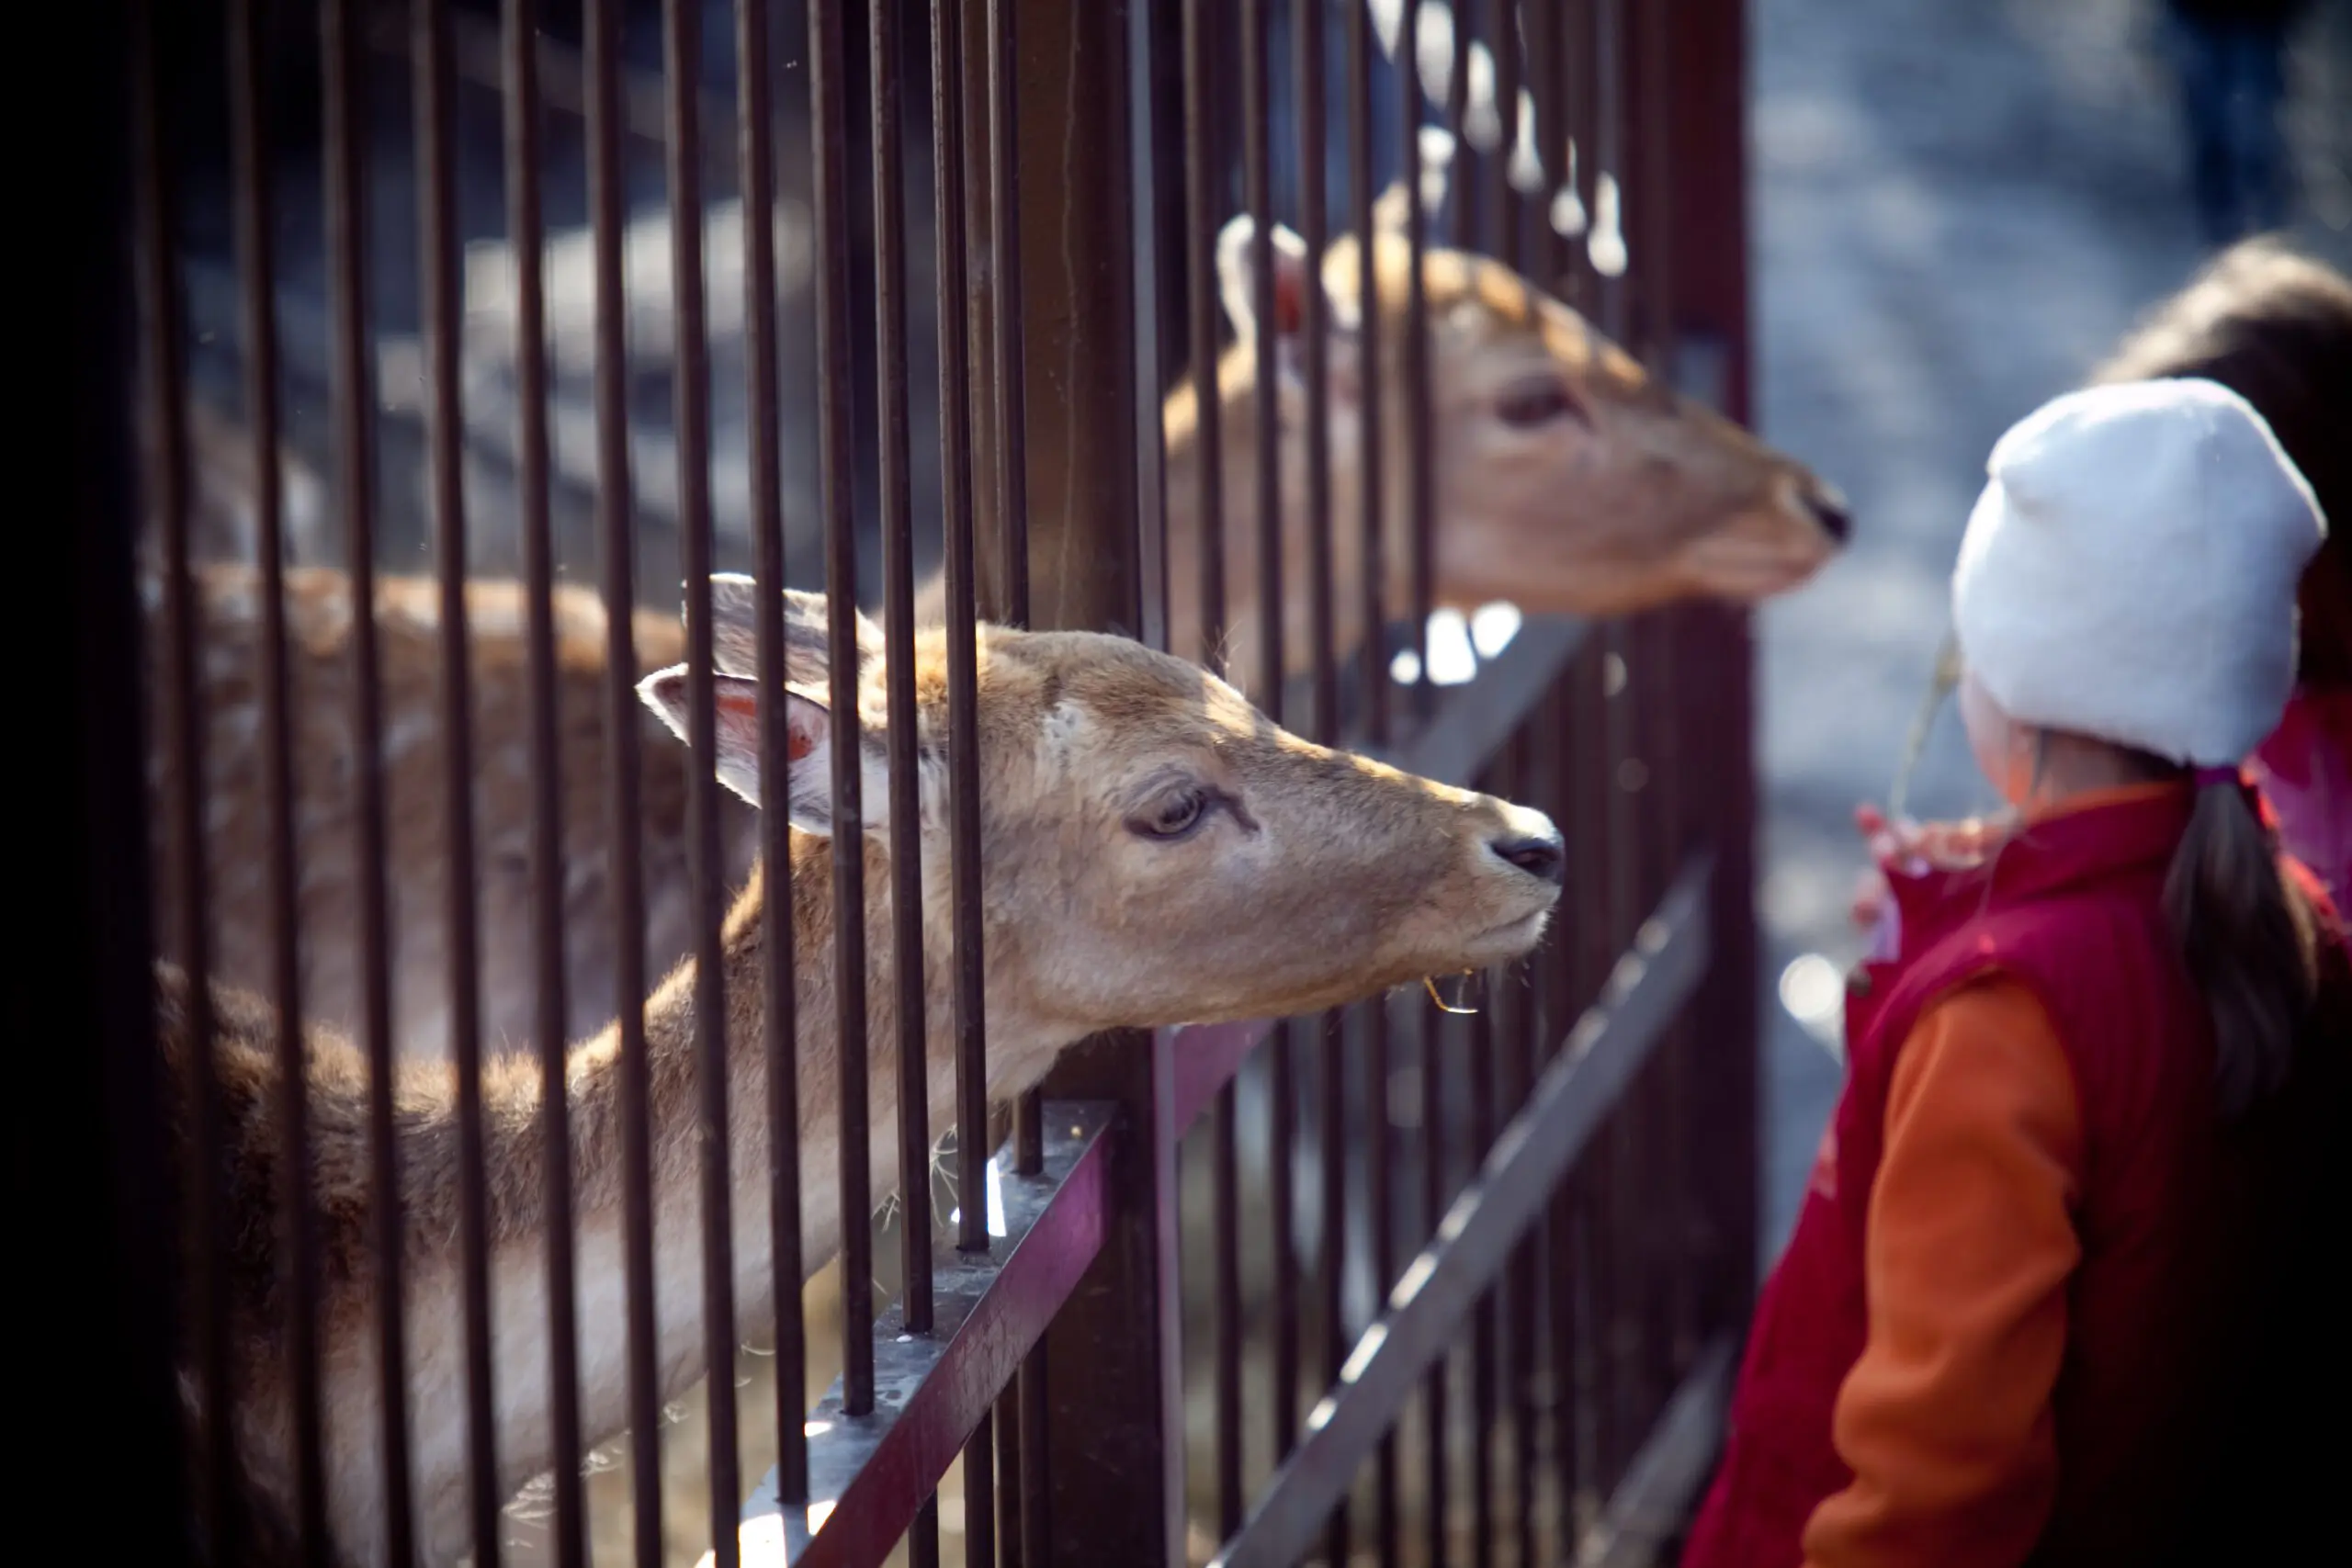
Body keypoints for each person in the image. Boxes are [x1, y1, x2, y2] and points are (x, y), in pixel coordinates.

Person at [1683, 378, 2350, 1567]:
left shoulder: (2004, 1019)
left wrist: (1972, 961)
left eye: (1963, 661)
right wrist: (1964, 915)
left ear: (2022, 695)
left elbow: (1936, 1499)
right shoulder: (2293, 923)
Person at [2160, 0, 2311, 245]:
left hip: (2259, 24)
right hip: (2205, 20)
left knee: (2256, 138)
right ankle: (2228, 242)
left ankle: (2270, 239)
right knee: (2215, 138)